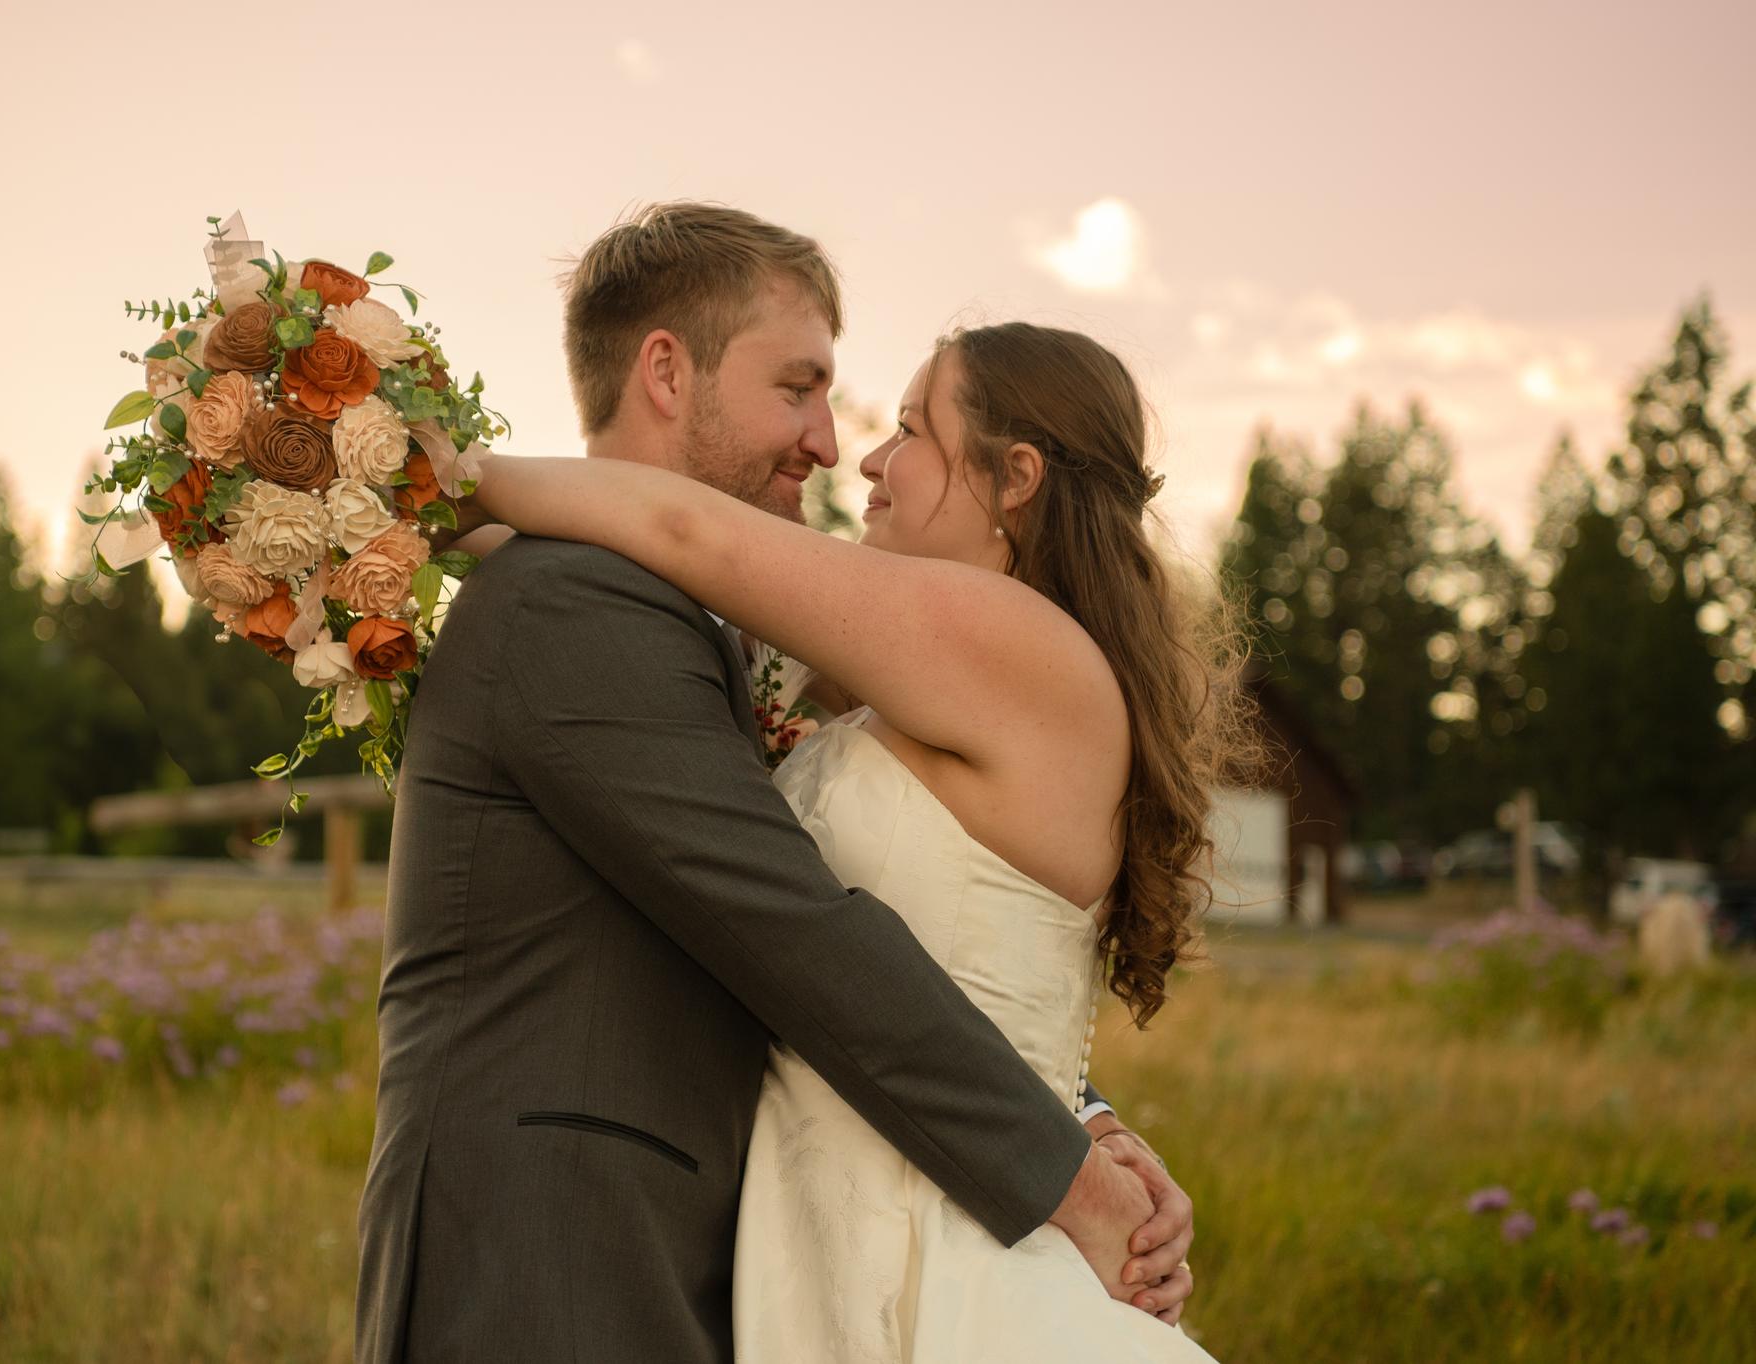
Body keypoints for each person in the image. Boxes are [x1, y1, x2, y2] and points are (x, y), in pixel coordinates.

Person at [353, 203, 1200, 1364]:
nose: (844, 448)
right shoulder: (581, 600)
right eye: (798, 387)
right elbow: (819, 921)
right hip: (576, 1257)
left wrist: (442, 490)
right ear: (666, 370)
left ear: (1015, 479)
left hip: (902, 1233)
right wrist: (377, 496)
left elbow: (841, 924)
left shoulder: (981, 644)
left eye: (905, 426)